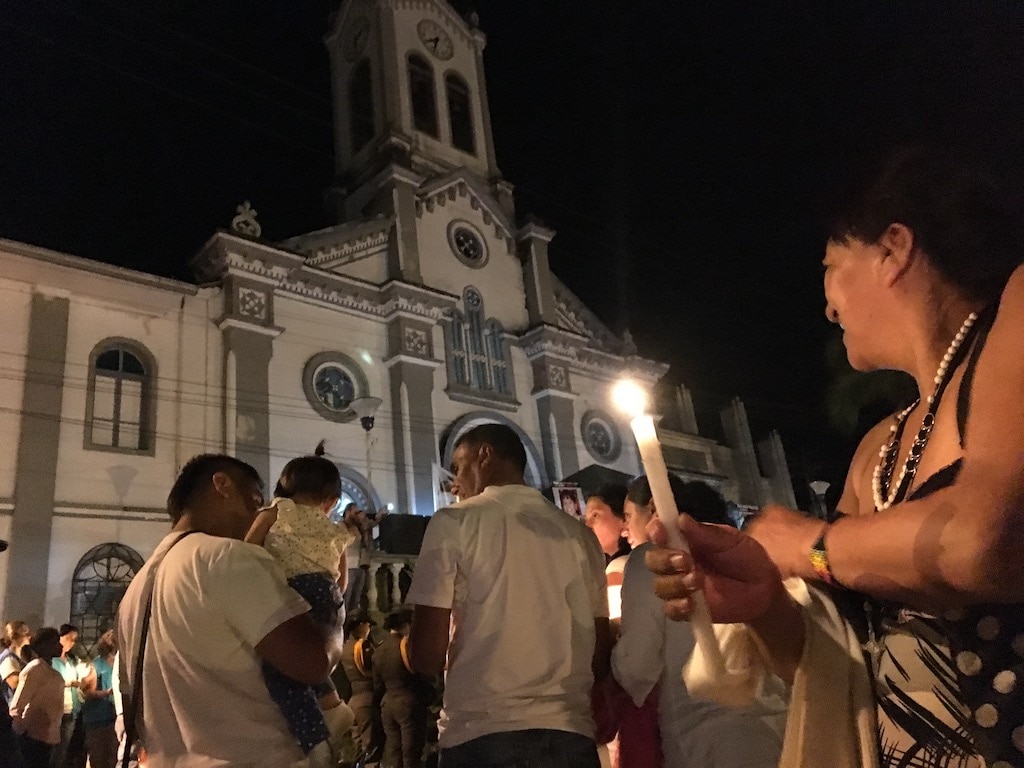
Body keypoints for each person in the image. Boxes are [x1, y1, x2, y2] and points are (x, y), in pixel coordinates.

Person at [646, 146, 1024, 767]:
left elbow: (984, 540)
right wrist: (763, 598)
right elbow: (837, 663)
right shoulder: (879, 449)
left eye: (831, 265)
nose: (827, 303)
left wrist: (811, 545)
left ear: (893, 250)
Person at [407, 423, 611, 768]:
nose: (455, 483)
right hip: (570, 736)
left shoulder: (453, 522)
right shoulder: (581, 536)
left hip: (482, 734)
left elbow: (426, 657)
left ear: (485, 455)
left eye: (458, 467)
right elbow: (600, 652)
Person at [116, 453, 339, 768]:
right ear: (222, 484)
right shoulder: (227, 558)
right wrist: (333, 611)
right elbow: (312, 662)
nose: (256, 512)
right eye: (254, 498)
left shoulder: (136, 590)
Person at [614, 476, 783, 768]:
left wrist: (613, 641)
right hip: (781, 725)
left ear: (655, 509)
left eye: (628, 515)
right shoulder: (745, 548)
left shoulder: (650, 560)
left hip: (704, 738)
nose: (625, 528)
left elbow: (637, 670)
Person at [244, 447, 357, 760]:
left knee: (280, 669)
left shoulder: (274, 512)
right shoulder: (337, 532)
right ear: (331, 501)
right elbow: (342, 583)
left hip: (293, 595)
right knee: (310, 657)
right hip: (329, 599)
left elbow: (247, 551)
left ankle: (316, 741)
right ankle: (332, 705)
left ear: (283, 489)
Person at [374, 609, 430, 768]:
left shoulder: (379, 648)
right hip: (408, 702)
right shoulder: (406, 645)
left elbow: (377, 684)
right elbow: (421, 672)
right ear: (406, 625)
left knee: (393, 751)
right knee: (411, 751)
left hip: (387, 703)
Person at [10, 627, 65, 767]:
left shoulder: (49, 669)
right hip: (34, 737)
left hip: (46, 736)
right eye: (55, 642)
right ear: (44, 645)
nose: (60, 646)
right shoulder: (35, 668)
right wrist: (22, 732)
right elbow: (17, 705)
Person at [339, 613, 383, 767]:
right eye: (367, 625)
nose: (369, 628)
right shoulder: (361, 646)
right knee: (371, 747)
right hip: (366, 699)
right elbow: (373, 669)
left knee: (359, 747)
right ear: (360, 626)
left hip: (354, 700)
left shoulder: (345, 647)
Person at [584, 485, 631, 622]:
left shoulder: (618, 568)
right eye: (586, 519)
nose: (588, 525)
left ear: (623, 517)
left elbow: (616, 626)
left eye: (596, 515)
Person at [49, 625, 91, 768]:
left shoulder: (72, 660)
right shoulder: (51, 661)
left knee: (63, 749)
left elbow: (85, 671)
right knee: (52, 750)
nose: (71, 643)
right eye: (68, 639)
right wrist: (68, 683)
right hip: (56, 710)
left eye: (74, 640)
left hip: (71, 710)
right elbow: (50, 682)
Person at [79, 630, 117, 768]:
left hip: (114, 719)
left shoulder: (119, 663)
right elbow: (86, 692)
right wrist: (107, 692)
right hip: (98, 719)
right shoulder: (97, 665)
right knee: (99, 759)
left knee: (114, 759)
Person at [2, 621, 32, 768]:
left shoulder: (18, 658)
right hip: (10, 711)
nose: (29, 637)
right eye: (25, 634)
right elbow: (14, 683)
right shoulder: (8, 659)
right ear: (15, 637)